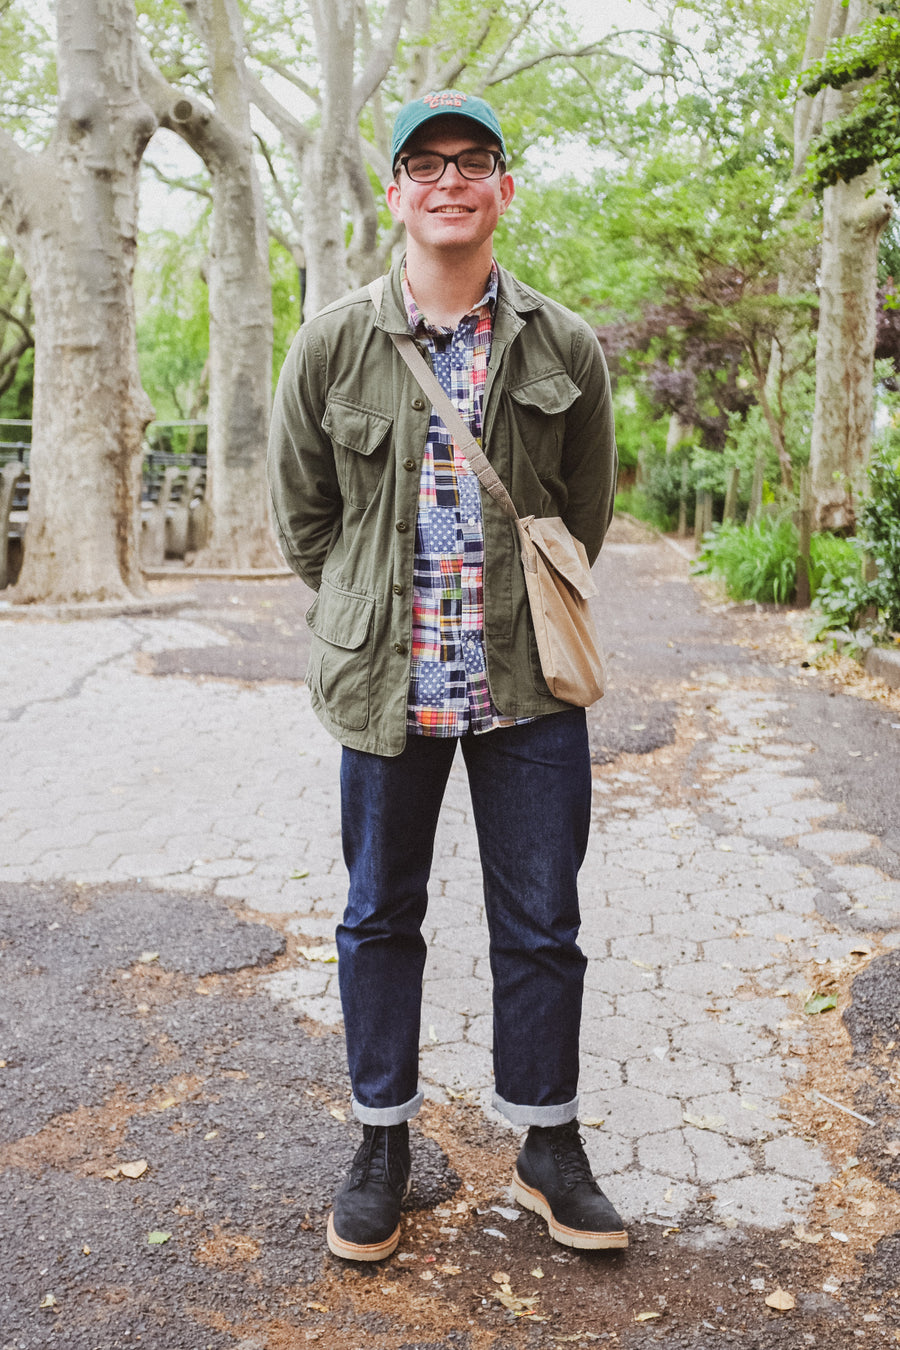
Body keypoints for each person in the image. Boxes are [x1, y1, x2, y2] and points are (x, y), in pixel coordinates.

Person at [267, 89, 625, 1261]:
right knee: (378, 915)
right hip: (387, 686)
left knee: (544, 922)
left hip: (528, 685)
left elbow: (581, 515)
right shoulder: (332, 343)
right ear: (395, 194)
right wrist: (370, 612)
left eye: (474, 162)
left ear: (504, 190)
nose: (451, 181)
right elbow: (305, 522)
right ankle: (382, 1141)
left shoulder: (564, 344)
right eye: (426, 164)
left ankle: (548, 1144)